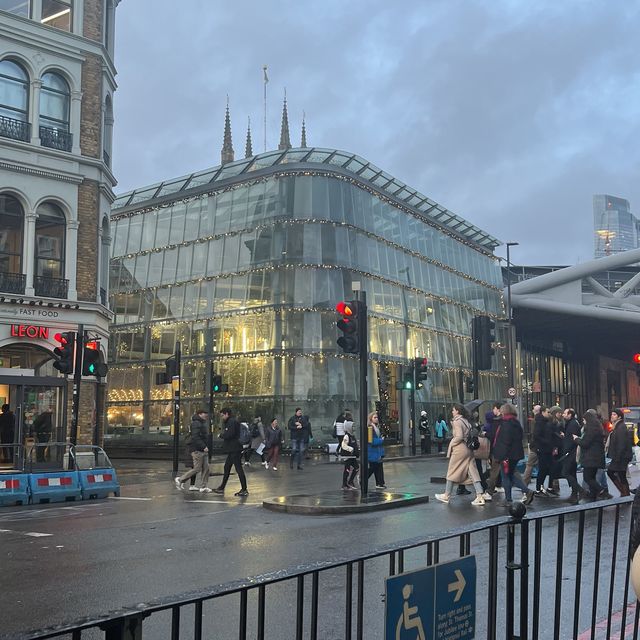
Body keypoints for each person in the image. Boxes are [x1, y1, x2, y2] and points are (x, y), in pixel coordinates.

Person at [484, 404, 534, 506]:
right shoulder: (516, 423)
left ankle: (509, 499)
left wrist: (499, 456)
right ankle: (526, 491)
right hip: (515, 454)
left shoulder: (505, 424)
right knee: (511, 474)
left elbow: (504, 442)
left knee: (506, 476)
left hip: (506, 455)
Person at [435, 404, 485, 505]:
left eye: (453, 410)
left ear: (457, 411)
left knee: (452, 471)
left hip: (460, 450)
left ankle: (446, 495)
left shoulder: (457, 421)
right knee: (473, 472)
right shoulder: (466, 421)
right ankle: (480, 495)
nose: (452, 412)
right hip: (468, 449)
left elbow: (459, 436)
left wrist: (452, 443)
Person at [214, 408, 249, 496]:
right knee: (227, 467)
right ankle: (222, 487)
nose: (222, 417)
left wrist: (221, 435)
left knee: (238, 468)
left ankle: (244, 489)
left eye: (222, 415)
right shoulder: (231, 422)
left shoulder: (231, 422)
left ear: (227, 414)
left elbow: (230, 434)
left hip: (235, 449)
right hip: (233, 449)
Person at [175, 409, 211, 492]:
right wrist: (203, 446)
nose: (206, 415)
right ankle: (180, 479)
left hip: (202, 449)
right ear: (200, 414)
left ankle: (203, 486)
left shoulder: (201, 423)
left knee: (206, 468)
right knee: (197, 468)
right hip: (197, 450)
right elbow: (195, 437)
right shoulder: (196, 423)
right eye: (204, 413)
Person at [573, 411, 606, 500]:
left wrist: (576, 439)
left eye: (584, 420)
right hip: (596, 457)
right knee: (592, 477)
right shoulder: (597, 428)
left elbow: (585, 443)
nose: (583, 422)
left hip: (591, 458)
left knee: (587, 477)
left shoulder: (591, 430)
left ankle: (601, 490)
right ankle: (593, 495)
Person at [606, 408, 633, 497]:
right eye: (612, 414)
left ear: (619, 417)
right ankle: (625, 493)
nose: (612, 416)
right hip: (620, 456)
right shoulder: (617, 426)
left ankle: (624, 493)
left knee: (612, 472)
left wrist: (617, 457)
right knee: (621, 475)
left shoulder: (621, 427)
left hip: (621, 456)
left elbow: (621, 443)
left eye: (614, 414)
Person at [561, 408, 585, 504]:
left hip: (571, 453)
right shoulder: (572, 423)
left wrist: (566, 450)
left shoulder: (573, 424)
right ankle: (574, 495)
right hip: (572, 452)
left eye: (565, 413)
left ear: (570, 415)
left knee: (565, 472)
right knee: (572, 473)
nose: (563, 415)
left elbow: (573, 439)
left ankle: (580, 491)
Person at [534, 406, 555, 496]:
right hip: (542, 448)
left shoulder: (546, 422)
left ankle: (542, 486)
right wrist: (547, 442)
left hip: (546, 448)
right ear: (542, 412)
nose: (549, 414)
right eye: (547, 412)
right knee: (542, 468)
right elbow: (537, 435)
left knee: (547, 468)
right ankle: (538, 488)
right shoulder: (540, 422)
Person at [367, 411, 386, 489]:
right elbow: (371, 441)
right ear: (371, 419)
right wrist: (381, 440)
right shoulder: (370, 428)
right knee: (373, 468)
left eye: (377, 417)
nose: (376, 419)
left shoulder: (376, 428)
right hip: (372, 452)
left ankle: (380, 483)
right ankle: (363, 478)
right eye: (374, 417)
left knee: (378, 467)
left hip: (377, 452)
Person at [523, 405, 541, 485]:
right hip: (540, 446)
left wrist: (532, 445)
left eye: (533, 409)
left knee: (529, 464)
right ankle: (553, 485)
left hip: (535, 446)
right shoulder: (541, 420)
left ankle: (525, 483)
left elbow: (534, 434)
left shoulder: (534, 421)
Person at [340, 421, 359, 490]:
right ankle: (344, 484)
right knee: (347, 469)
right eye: (352, 426)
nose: (354, 428)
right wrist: (351, 449)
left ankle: (350, 481)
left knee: (356, 468)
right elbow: (343, 445)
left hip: (352, 456)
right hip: (348, 456)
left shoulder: (352, 436)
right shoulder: (346, 436)